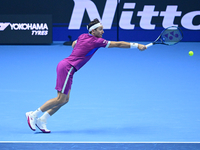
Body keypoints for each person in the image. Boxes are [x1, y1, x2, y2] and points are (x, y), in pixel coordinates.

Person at [26, 18, 147, 133]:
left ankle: (43, 120)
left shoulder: (83, 36)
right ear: (93, 31)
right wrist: (137, 45)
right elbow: (118, 44)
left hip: (67, 67)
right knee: (59, 99)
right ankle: (33, 114)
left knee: (65, 100)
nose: (103, 31)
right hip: (67, 68)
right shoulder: (97, 41)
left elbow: (74, 43)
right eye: (100, 29)